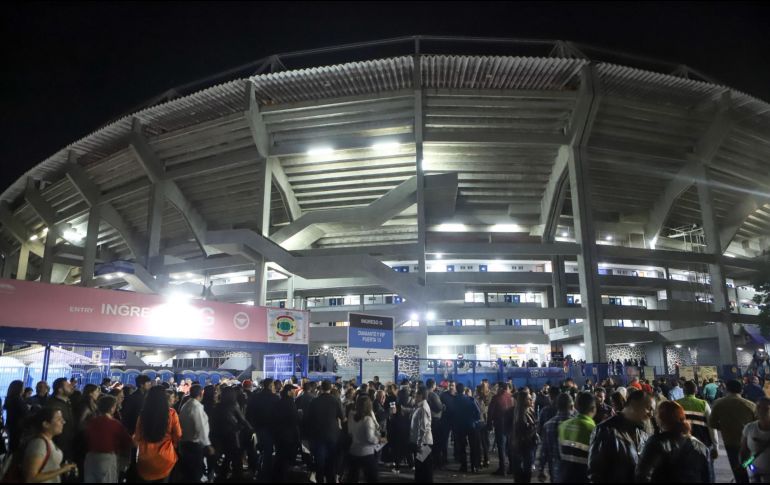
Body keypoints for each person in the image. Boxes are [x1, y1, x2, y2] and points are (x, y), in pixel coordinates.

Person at [635, 400, 714, 482]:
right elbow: (708, 478)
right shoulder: (702, 447)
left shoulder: (656, 442)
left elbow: (642, 475)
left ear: (661, 419)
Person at [587, 389, 652, 483]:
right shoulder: (605, 430)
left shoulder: (641, 433)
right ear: (634, 405)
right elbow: (595, 475)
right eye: (649, 408)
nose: (651, 414)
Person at [710, 379, 757, 484]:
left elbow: (712, 423)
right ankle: (755, 473)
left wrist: (724, 427)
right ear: (741, 390)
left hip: (730, 441)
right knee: (750, 462)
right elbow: (757, 424)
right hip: (748, 442)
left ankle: (741, 479)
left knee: (736, 466)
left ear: (727, 389)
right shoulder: (750, 405)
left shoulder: (718, 403)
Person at [133, 386, 182, 482]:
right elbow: (178, 435)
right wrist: (174, 445)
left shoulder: (143, 414)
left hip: (146, 459)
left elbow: (137, 437)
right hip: (166, 458)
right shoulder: (172, 413)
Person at [84, 395, 133, 483]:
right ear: (111, 408)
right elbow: (127, 442)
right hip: (106, 459)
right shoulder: (115, 424)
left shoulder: (91, 421)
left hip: (90, 457)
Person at [22, 408, 78, 483]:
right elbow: (31, 478)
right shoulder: (39, 444)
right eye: (58, 419)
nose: (63, 422)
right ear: (46, 424)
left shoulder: (48, 440)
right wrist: (62, 470)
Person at [307, 380, 344, 484]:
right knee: (331, 462)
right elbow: (342, 417)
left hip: (318, 435)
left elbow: (309, 419)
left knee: (319, 462)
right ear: (330, 388)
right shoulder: (336, 400)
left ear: (321, 388)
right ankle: (331, 480)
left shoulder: (314, 401)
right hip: (333, 435)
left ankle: (319, 480)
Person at [211, 386, 252, 480]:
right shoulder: (233, 405)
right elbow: (243, 420)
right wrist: (250, 429)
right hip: (232, 436)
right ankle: (237, 477)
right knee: (236, 458)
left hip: (220, 436)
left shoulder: (217, 406)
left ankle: (222, 476)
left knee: (227, 457)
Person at [556, 391, 596, 483]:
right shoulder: (593, 429)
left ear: (576, 407)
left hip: (564, 477)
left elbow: (560, 454)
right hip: (583, 478)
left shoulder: (563, 425)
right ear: (593, 408)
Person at [536, 392, 574, 483]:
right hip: (575, 470)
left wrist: (541, 469)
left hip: (556, 469)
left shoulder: (548, 425)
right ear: (572, 406)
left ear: (557, 406)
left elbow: (543, 449)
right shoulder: (577, 424)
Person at [246, 378, 280, 481]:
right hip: (270, 429)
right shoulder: (275, 398)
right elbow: (278, 415)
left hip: (257, 428)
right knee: (268, 452)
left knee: (261, 449)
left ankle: (258, 470)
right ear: (270, 386)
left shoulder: (255, 397)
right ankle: (265, 475)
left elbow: (249, 413)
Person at [178, 385, 213, 483]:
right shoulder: (196, 407)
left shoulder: (186, 404)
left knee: (188, 472)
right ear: (201, 394)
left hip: (184, 443)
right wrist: (208, 444)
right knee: (195, 474)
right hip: (193, 445)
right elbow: (201, 427)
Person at [676, 380, 718, 461]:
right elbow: (711, 426)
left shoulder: (677, 404)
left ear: (683, 391)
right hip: (702, 442)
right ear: (696, 391)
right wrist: (716, 446)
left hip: (682, 443)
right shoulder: (704, 404)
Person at [347, 395, 383, 483]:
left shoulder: (352, 416)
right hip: (366, 453)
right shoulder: (368, 419)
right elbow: (370, 438)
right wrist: (379, 440)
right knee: (372, 478)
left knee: (352, 478)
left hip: (353, 450)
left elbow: (350, 432)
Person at [509, 389, 538, 483]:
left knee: (526, 473)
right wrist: (535, 428)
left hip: (528, 447)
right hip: (523, 448)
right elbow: (525, 432)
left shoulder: (529, 411)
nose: (531, 400)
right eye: (529, 399)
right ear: (523, 401)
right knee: (523, 474)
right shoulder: (520, 415)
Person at [45, 378, 76, 463]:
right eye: (68, 385)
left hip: (66, 446)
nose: (71, 387)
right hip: (57, 446)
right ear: (60, 390)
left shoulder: (66, 403)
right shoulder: (54, 405)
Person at [274, 384, 300, 482]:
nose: (295, 392)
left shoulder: (279, 401)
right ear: (289, 391)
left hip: (278, 434)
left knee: (279, 456)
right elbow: (294, 419)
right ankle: (283, 478)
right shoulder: (290, 402)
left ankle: (276, 477)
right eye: (293, 390)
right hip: (288, 435)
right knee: (285, 459)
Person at [740, 397, 770, 483]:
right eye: (759, 407)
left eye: (766, 409)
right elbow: (743, 451)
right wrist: (750, 468)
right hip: (755, 472)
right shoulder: (750, 428)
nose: (761, 411)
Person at [453, 383, 481, 473]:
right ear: (464, 390)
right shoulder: (470, 399)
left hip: (459, 426)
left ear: (456, 390)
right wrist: (474, 420)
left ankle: (463, 466)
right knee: (473, 447)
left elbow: (452, 413)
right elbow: (478, 412)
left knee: (462, 447)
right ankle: (474, 467)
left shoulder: (454, 400)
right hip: (471, 425)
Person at [410, 386, 433, 482]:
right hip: (423, 442)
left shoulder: (423, 408)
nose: (415, 397)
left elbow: (423, 428)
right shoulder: (421, 406)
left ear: (421, 395)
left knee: (422, 468)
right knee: (422, 467)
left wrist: (419, 444)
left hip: (424, 443)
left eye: (416, 395)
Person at [5, 380, 29, 454]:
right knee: (16, 448)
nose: (24, 389)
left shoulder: (9, 398)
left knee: (12, 446)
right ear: (19, 388)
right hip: (18, 426)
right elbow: (24, 412)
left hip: (11, 425)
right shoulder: (18, 399)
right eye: (23, 387)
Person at [424, 379, 443, 471]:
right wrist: (443, 406)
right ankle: (436, 463)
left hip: (426, 420)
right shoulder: (433, 395)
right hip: (435, 420)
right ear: (434, 385)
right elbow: (439, 407)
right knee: (435, 442)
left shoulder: (423, 394)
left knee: (426, 442)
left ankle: (423, 461)